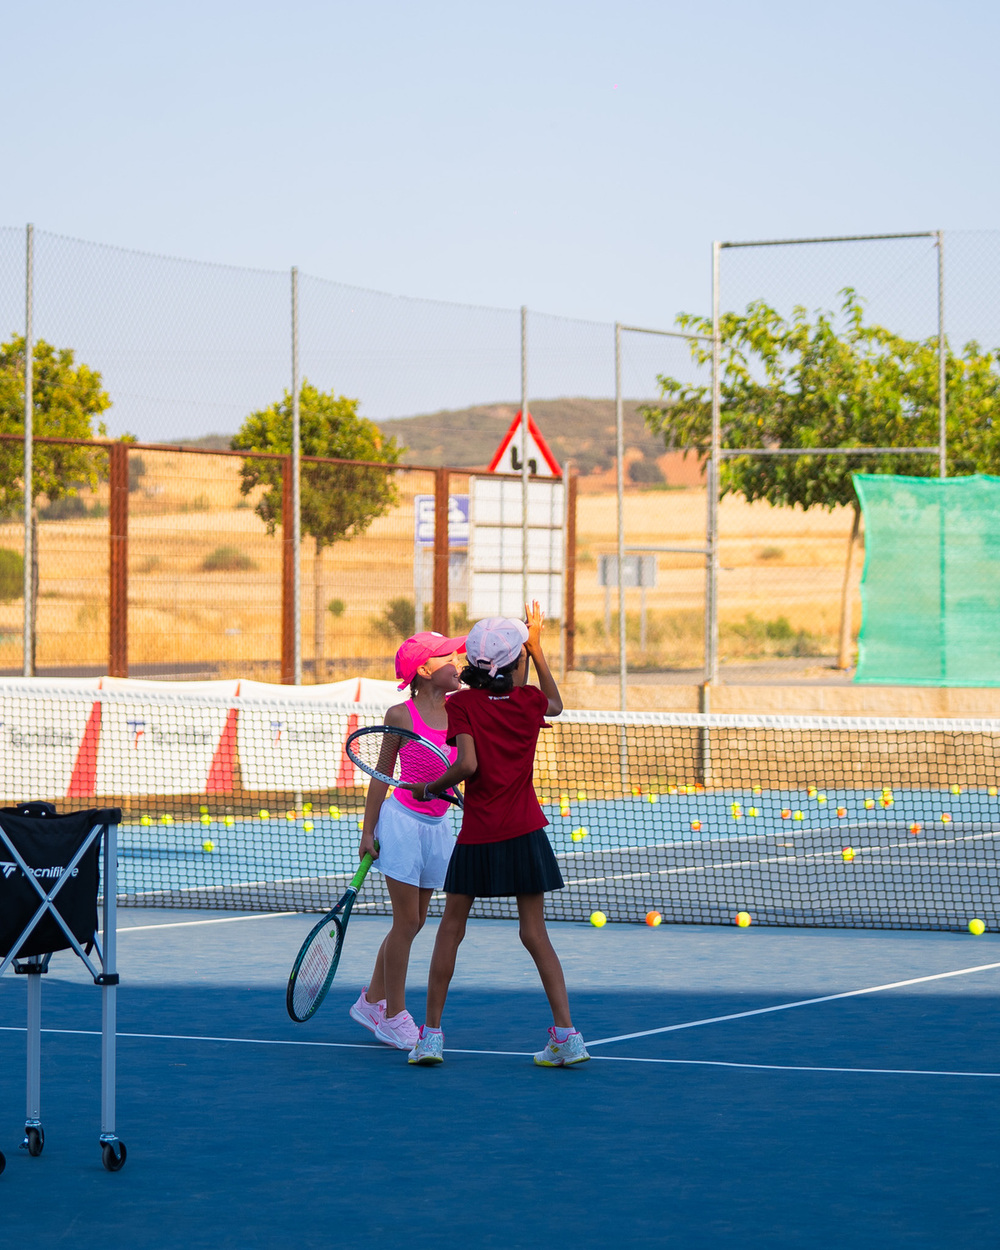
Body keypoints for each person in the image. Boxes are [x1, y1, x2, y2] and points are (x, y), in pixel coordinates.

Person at [405, 602, 589, 1068]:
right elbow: (556, 704)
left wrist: (430, 786)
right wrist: (538, 647)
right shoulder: (530, 703)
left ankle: (430, 1037)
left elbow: (467, 765)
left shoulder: (462, 704)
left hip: (479, 835)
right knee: (535, 933)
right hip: (526, 832)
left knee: (451, 929)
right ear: (516, 662)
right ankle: (566, 1035)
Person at [349, 629, 466, 1050]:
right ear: (423, 670)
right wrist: (368, 830)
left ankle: (371, 1000)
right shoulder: (400, 714)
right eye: (447, 657)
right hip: (401, 823)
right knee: (408, 922)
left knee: (415, 920)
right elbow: (381, 776)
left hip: (439, 828)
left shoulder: (462, 711)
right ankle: (393, 1015)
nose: (458, 661)